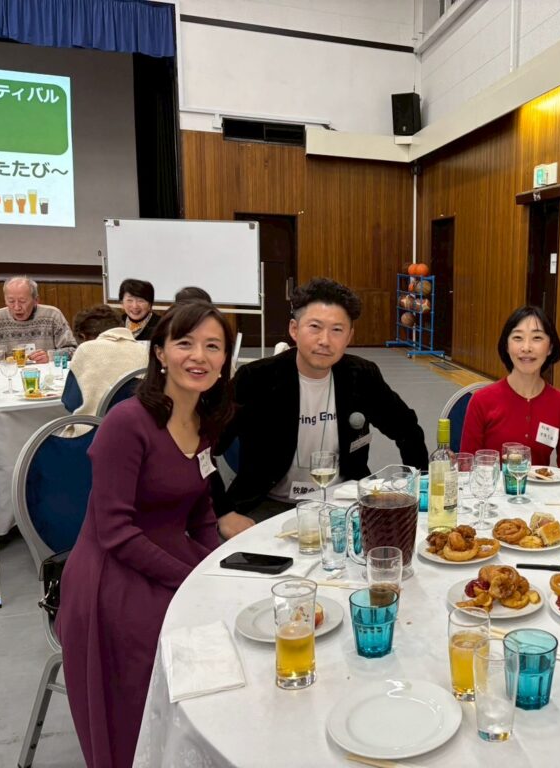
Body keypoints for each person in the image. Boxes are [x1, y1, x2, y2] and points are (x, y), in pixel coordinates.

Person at [56, 300, 234, 767]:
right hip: (112, 576)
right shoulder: (127, 422)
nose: (199, 356)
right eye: (185, 343)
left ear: (225, 360)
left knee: (236, 617)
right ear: (159, 352)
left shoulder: (203, 422)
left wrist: (215, 570)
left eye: (213, 346)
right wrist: (190, 581)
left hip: (172, 560)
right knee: (179, 642)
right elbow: (115, 531)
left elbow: (201, 514)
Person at [213, 278, 428, 539]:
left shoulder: (361, 375)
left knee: (389, 550)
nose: (325, 340)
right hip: (269, 504)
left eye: (337, 330)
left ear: (349, 336)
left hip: (342, 501)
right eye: (315, 327)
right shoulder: (256, 379)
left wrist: (420, 491)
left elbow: (407, 429)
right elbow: (204, 448)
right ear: (294, 329)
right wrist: (223, 511)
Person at [461, 306, 560, 470]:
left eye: (537, 338)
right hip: (489, 486)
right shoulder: (481, 401)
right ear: (506, 346)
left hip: (542, 487)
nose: (526, 347)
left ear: (550, 347)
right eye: (518, 337)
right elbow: (466, 468)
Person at [62, 305, 148, 416]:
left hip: (95, 424)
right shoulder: (141, 349)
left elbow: (71, 403)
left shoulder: (86, 349)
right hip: (136, 422)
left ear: (83, 336)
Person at [0, 276, 77, 363]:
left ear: (36, 300)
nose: (17, 307)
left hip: (46, 374)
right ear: (5, 301)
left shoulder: (53, 316)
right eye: (11, 301)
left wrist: (50, 356)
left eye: (22, 301)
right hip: (8, 374)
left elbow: (74, 351)